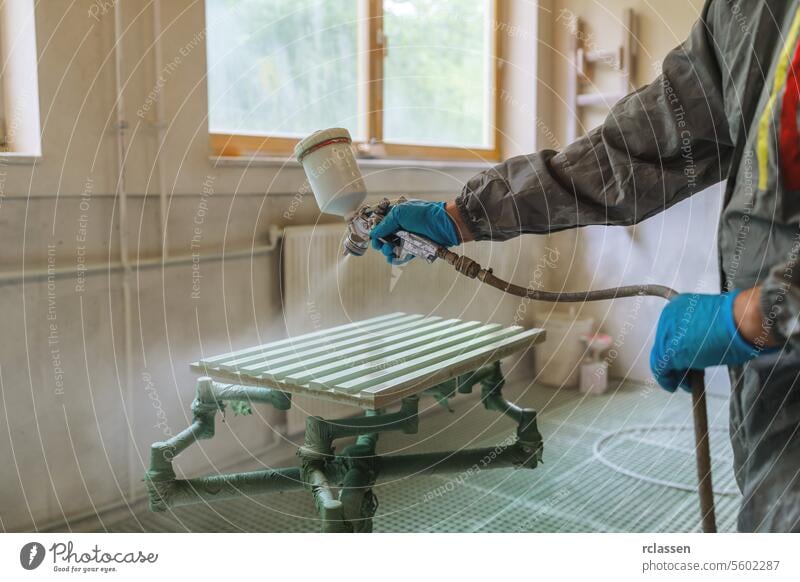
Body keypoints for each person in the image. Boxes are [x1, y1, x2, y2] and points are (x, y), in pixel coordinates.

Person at [369, 0, 800, 532]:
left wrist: (760, 312)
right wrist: (462, 216)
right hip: (779, 401)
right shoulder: (749, 14)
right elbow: (632, 153)